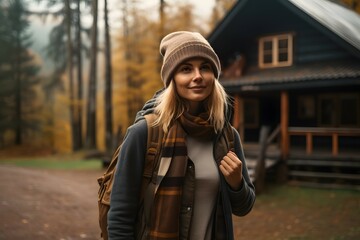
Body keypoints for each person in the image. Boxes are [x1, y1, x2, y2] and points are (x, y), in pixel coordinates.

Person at [107, 31, 255, 240]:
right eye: (186, 69)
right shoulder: (144, 134)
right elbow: (120, 216)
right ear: (172, 79)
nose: (198, 76)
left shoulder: (227, 137)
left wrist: (237, 183)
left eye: (205, 67)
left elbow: (244, 207)